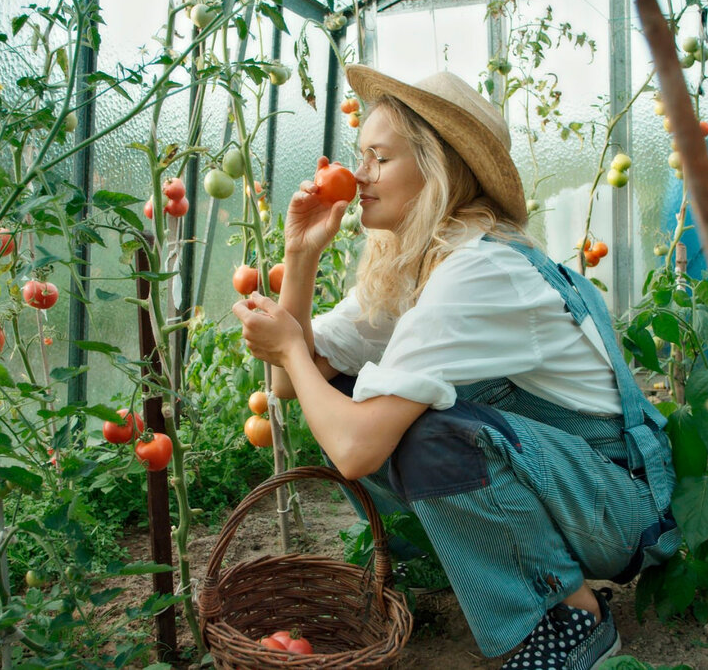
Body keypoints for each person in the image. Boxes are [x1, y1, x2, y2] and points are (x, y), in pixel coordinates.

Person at [231, 64, 680, 670]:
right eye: (360, 156)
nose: (358, 175)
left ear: (437, 168)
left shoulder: (479, 272)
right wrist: (299, 255)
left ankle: (572, 617)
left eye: (379, 159)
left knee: (424, 434)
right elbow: (297, 385)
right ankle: (534, 582)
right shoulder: (420, 262)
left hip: (618, 506)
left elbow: (355, 449)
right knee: (343, 390)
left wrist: (287, 346)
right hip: (571, 486)